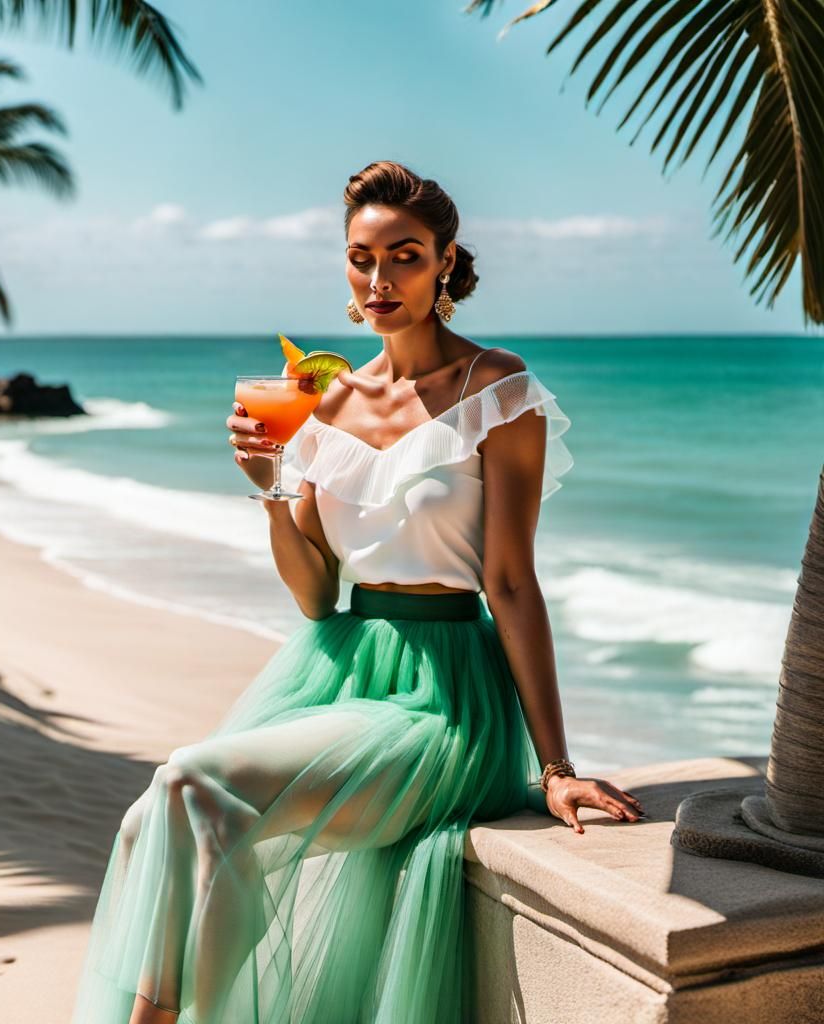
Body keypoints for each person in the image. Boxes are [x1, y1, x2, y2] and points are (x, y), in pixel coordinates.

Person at [70, 160, 645, 1024]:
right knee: (159, 817)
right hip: (342, 667)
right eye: (361, 258)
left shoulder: (498, 390)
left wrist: (555, 766)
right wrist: (267, 484)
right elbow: (313, 595)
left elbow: (512, 580)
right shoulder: (324, 400)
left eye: (404, 257)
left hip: (446, 698)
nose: (380, 281)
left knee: (190, 783)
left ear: (446, 262)